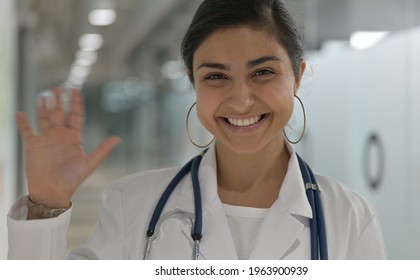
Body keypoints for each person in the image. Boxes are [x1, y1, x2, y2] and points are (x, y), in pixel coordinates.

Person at [7, 0, 387, 259]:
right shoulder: (134, 204)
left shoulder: (349, 218)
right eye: (216, 76)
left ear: (298, 77)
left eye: (263, 72)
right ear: (192, 82)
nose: (241, 100)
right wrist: (47, 205)